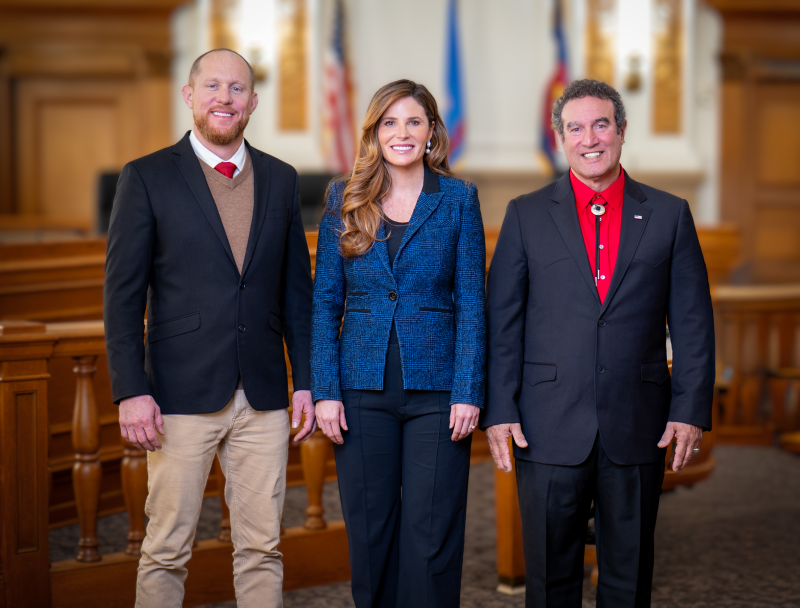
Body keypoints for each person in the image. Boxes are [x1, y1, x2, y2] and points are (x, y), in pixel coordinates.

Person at [482, 79, 715, 607]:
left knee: (628, 579)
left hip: (639, 423)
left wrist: (691, 409)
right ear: (561, 137)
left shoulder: (670, 213)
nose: (590, 138)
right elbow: (502, 323)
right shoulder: (525, 213)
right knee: (549, 580)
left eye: (601, 124)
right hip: (544, 425)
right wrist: (498, 409)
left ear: (622, 131)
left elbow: (694, 323)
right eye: (576, 127)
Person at [104, 48, 315, 608]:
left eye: (238, 88)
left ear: (252, 102)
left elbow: (298, 293)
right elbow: (121, 299)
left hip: (265, 396)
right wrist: (131, 390)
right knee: (166, 549)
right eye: (214, 86)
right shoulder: (146, 177)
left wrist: (308, 382)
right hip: (178, 395)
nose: (225, 98)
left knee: (262, 548)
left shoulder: (281, 178)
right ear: (189, 96)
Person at [312, 79, 486, 608]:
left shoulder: (458, 199)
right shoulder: (344, 198)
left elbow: (473, 301)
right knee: (370, 530)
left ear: (432, 131)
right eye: (389, 122)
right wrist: (324, 389)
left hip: (438, 393)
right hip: (359, 390)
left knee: (432, 533)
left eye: (414, 121)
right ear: (374, 132)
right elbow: (324, 303)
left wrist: (469, 390)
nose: (402, 133)